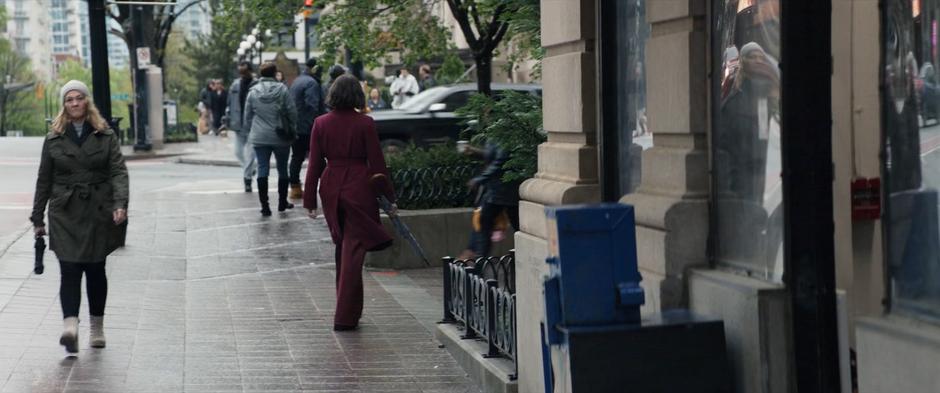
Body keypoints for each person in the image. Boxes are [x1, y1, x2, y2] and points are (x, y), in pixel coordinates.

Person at [30, 80, 129, 354]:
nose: (74, 103)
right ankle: (70, 326)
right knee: (70, 269)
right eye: (69, 99)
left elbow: (118, 171)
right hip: (65, 211)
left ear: (87, 102)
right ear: (64, 105)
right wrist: (38, 218)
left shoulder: (104, 134)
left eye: (79, 98)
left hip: (98, 209)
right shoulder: (53, 138)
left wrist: (120, 203)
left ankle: (96, 327)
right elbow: (44, 179)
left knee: (96, 269)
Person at [304, 75, 396, 331]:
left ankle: (351, 311)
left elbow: (314, 164)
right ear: (357, 95)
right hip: (359, 188)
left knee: (343, 249)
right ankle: (344, 316)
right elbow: (377, 164)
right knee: (353, 253)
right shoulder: (365, 123)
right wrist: (389, 198)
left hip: (331, 188)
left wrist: (310, 199)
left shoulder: (320, 123)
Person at [245, 62, 298, 216]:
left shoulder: (253, 92)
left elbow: (247, 117)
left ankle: (265, 206)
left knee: (263, 168)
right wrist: (292, 129)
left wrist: (252, 131)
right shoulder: (282, 90)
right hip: (281, 136)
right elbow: (292, 112)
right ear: (275, 73)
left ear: (261, 74)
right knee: (282, 168)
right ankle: (282, 202)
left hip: (260, 137)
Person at [468, 141, 520, 257]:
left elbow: (500, 162)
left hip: (505, 190)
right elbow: (493, 156)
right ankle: (480, 260)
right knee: (483, 222)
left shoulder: (504, 132)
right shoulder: (493, 132)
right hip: (496, 192)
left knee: (519, 226)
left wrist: (480, 179)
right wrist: (475, 152)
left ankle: (480, 261)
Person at [287, 57, 326, 200]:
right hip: (308, 128)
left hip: (296, 127)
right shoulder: (311, 83)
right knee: (318, 158)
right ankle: (327, 185)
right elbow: (313, 106)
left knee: (296, 157)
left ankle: (295, 188)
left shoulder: (297, 81)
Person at [227, 62, 258, 192]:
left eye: (244, 72)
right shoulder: (235, 84)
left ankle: (247, 180)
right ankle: (251, 168)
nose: (242, 74)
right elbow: (229, 103)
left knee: (250, 154)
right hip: (238, 124)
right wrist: (227, 120)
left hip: (253, 125)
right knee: (238, 152)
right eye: (240, 72)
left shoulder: (257, 85)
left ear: (250, 71)